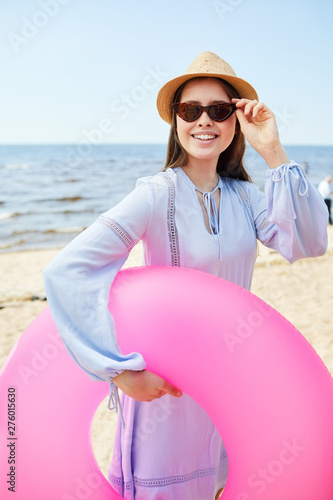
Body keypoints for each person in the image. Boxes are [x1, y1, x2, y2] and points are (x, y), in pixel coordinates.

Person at [43, 51, 328, 500]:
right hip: (167, 389)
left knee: (221, 486)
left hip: (231, 379)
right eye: (190, 110)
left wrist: (272, 151)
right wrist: (117, 371)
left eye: (218, 110)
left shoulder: (247, 197)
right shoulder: (156, 195)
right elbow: (67, 270)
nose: (204, 122)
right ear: (175, 121)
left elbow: (309, 242)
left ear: (235, 121)